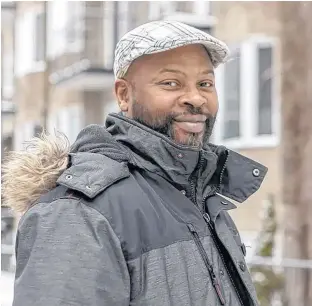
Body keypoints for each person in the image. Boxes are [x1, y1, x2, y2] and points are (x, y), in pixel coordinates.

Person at [3, 20, 267, 306]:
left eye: (205, 83)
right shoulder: (78, 212)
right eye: (171, 83)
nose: (195, 98)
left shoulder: (199, 194)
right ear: (124, 95)